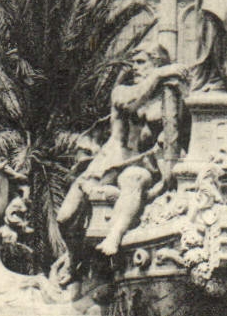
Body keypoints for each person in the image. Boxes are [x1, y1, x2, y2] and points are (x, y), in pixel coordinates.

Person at [56, 44, 185, 256]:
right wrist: (159, 74)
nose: (135, 67)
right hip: (109, 161)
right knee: (65, 217)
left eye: (141, 62)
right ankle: (73, 258)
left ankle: (113, 237)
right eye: (134, 62)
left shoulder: (168, 99)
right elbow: (131, 103)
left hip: (143, 163)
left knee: (133, 179)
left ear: (158, 63)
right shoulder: (122, 92)